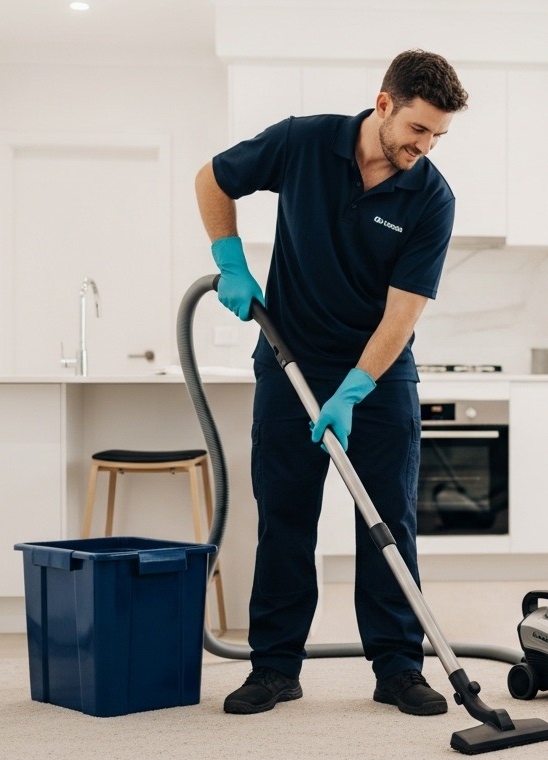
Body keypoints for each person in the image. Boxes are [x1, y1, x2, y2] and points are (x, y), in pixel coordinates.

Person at [193, 49, 468, 717]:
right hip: (289, 360)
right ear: (383, 104)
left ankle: (399, 667)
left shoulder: (429, 196)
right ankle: (275, 666)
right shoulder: (304, 142)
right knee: (286, 516)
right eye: (418, 130)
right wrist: (229, 260)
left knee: (388, 521)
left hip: (377, 375)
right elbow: (211, 179)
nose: (424, 147)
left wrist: (354, 389)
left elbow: (402, 314)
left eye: (437, 136)